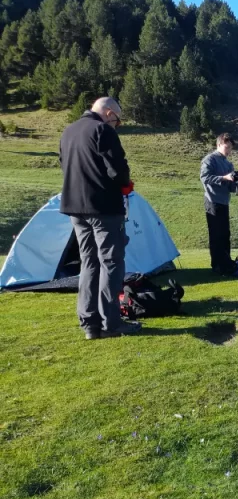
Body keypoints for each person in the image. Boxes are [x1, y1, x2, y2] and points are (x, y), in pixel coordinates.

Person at [59, 97, 140, 339]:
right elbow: (117, 169)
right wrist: (125, 184)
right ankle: (111, 322)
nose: (117, 125)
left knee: (89, 263)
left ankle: (89, 324)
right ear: (108, 113)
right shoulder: (102, 130)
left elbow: (64, 165)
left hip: (75, 207)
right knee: (111, 262)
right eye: (117, 120)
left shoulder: (68, 131)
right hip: (104, 208)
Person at [200, 133, 238, 275]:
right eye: (226, 147)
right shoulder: (209, 159)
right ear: (218, 145)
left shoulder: (229, 164)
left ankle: (227, 263)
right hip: (212, 201)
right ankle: (217, 265)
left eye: (230, 148)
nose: (228, 150)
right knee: (216, 235)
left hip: (224, 202)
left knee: (225, 234)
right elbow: (204, 178)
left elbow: (230, 186)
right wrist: (224, 177)